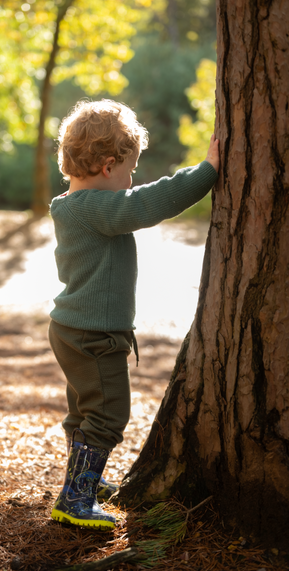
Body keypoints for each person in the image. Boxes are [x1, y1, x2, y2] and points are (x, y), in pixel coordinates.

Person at [48, 99, 220, 531]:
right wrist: (206, 172)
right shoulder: (96, 207)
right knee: (108, 414)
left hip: (72, 330)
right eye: (129, 171)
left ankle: (82, 483)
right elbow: (149, 203)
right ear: (108, 167)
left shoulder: (69, 204)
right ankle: (76, 499)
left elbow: (136, 199)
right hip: (94, 335)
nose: (131, 180)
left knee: (84, 413)